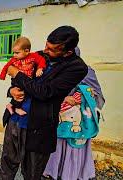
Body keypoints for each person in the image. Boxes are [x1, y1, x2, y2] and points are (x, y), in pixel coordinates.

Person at [0, 26, 88, 180]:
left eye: (51, 49)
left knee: (32, 173)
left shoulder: (77, 68)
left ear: (67, 52)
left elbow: (45, 92)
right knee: (7, 164)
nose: (45, 50)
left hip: (39, 128)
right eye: (46, 45)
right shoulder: (38, 56)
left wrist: (17, 74)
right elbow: (16, 80)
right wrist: (11, 90)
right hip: (15, 119)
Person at [43, 50, 105, 180]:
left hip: (79, 121)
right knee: (57, 145)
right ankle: (54, 172)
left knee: (75, 145)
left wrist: (85, 96)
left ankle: (71, 174)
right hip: (60, 118)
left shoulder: (87, 71)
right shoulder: (55, 71)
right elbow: (48, 92)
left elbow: (98, 97)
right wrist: (64, 98)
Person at [0, 37, 46, 117]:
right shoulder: (14, 59)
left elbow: (41, 60)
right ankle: (16, 108)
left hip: (27, 79)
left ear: (26, 51)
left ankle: (11, 105)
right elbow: (6, 66)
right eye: (13, 53)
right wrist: (2, 75)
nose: (14, 55)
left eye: (17, 53)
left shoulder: (33, 56)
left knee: (24, 92)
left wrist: (40, 68)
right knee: (20, 93)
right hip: (16, 80)